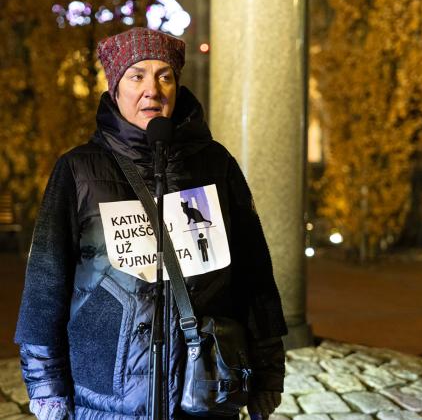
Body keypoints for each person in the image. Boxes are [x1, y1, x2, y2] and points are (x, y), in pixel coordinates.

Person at [15, 27, 287, 420]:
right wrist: (47, 388)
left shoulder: (216, 165)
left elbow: (255, 277)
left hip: (203, 393)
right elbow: (45, 286)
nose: (152, 90)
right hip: (106, 399)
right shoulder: (78, 170)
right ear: (115, 88)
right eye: (136, 76)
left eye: (165, 76)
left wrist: (268, 375)